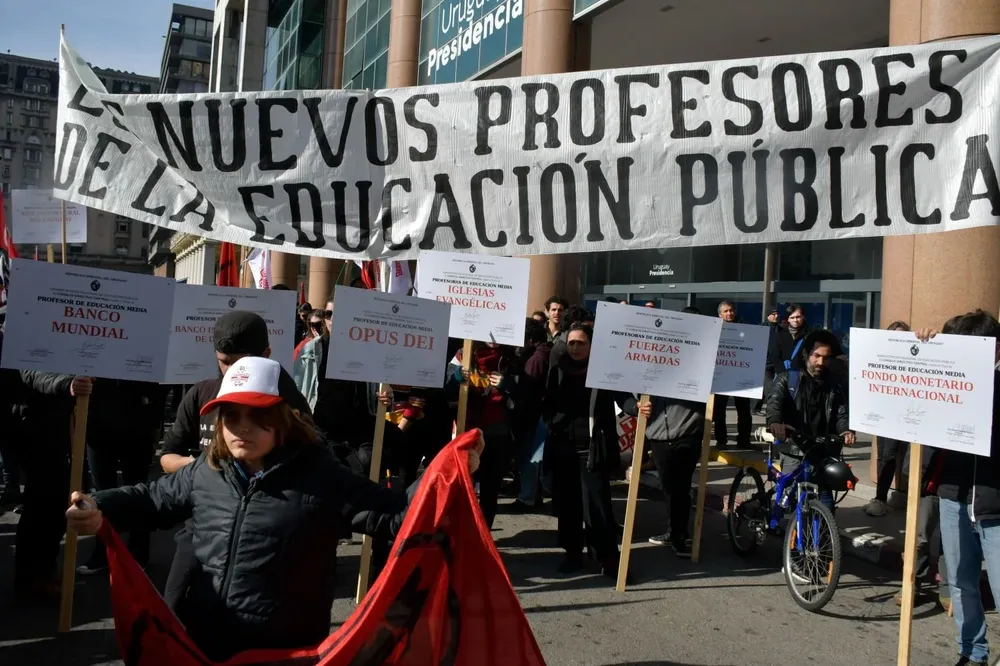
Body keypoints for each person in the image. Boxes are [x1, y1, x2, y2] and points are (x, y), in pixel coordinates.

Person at [66, 356, 483, 662]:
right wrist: (98, 506)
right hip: (204, 643)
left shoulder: (322, 475)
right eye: (231, 416)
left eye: (257, 415)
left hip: (284, 652)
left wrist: (450, 470)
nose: (241, 427)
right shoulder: (207, 471)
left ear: (284, 418)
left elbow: (396, 515)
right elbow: (152, 498)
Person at [159, 311, 311, 619]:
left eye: (244, 361)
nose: (234, 371)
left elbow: (315, 465)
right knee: (171, 613)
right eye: (226, 361)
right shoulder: (200, 393)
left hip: (264, 536)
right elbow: (166, 458)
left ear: (267, 355)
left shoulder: (287, 401)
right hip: (201, 527)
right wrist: (203, 470)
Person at [916, 311, 1000, 666]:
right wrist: (924, 353)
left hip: (995, 505)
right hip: (953, 496)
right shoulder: (945, 378)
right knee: (961, 584)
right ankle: (972, 652)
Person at [542, 322, 623, 579]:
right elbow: (542, 400)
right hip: (562, 448)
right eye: (572, 343)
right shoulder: (556, 369)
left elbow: (624, 398)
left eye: (582, 343)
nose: (576, 348)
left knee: (598, 507)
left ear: (591, 346)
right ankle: (573, 554)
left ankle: (607, 558)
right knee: (568, 506)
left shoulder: (603, 371)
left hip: (592, 450)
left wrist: (638, 407)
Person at [76, 379, 165, 575]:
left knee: (139, 491)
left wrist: (153, 413)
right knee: (101, 494)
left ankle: (138, 553)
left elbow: (159, 380)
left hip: (137, 422)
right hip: (98, 424)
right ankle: (103, 552)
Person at [765, 329, 855, 502]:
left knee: (826, 504)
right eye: (817, 356)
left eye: (826, 357)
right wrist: (775, 422)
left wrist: (845, 431)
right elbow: (774, 403)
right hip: (795, 448)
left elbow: (842, 413)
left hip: (824, 449)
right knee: (792, 503)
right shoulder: (787, 379)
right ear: (806, 354)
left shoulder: (834, 384)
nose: (821, 362)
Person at [450, 341, 516, 528]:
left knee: (490, 489)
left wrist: (508, 384)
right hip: (468, 430)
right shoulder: (463, 354)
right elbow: (444, 388)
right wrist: (455, 378)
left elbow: (526, 391)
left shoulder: (511, 356)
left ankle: (484, 535)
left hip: (498, 431)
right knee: (463, 486)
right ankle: (463, 534)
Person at [865, 320, 912, 517]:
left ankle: (881, 499)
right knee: (882, 454)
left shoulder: (912, 358)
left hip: (900, 413)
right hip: (882, 410)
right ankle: (879, 497)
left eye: (903, 335)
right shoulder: (882, 356)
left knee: (889, 455)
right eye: (895, 335)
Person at [510, 317, 552, 511]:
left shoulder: (536, 358)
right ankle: (532, 495)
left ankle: (527, 498)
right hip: (536, 414)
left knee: (530, 458)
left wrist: (509, 385)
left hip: (532, 415)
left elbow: (528, 389)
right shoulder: (542, 352)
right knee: (532, 458)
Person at [713, 300, 751, 450]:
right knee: (719, 411)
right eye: (726, 311)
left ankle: (744, 440)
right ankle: (721, 441)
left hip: (740, 375)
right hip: (721, 377)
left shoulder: (745, 329)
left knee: (744, 410)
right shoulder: (714, 330)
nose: (729, 313)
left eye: (731, 310)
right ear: (720, 314)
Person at [766, 303, 810, 382]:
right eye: (792, 317)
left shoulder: (810, 335)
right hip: (784, 376)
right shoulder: (781, 334)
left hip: (805, 377)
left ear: (803, 317)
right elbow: (775, 356)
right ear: (788, 319)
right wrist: (782, 373)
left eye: (798, 317)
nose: (795, 320)